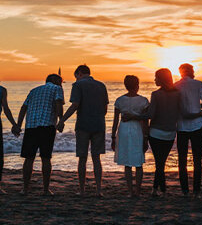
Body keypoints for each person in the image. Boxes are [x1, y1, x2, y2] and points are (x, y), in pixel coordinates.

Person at [56, 65, 109, 197]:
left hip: (83, 125)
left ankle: (82, 190)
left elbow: (75, 105)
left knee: (82, 158)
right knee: (96, 158)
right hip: (99, 124)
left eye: (76, 76)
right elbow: (105, 109)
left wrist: (62, 120)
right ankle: (98, 190)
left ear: (79, 73)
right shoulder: (101, 85)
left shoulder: (78, 85)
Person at [16, 74, 64, 196]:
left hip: (31, 126)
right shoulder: (56, 88)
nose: (61, 84)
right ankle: (45, 189)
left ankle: (25, 189)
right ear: (54, 80)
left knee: (29, 158)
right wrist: (61, 120)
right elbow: (58, 103)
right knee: (46, 158)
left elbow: (23, 108)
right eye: (60, 81)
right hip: (47, 126)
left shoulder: (34, 90)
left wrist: (18, 125)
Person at [111, 75, 149, 198]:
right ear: (137, 85)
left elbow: (115, 120)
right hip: (137, 129)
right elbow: (145, 121)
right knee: (138, 162)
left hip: (124, 129)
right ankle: (137, 191)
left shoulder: (119, 100)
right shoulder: (143, 101)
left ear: (125, 85)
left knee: (127, 163)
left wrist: (113, 137)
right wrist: (146, 137)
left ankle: (130, 191)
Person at [174, 63, 202, 198]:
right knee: (197, 159)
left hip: (182, 126)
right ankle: (196, 191)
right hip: (197, 125)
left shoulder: (176, 86)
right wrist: (197, 106)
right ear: (190, 71)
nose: (194, 71)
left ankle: (185, 191)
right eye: (193, 69)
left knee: (182, 159)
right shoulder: (198, 84)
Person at [0, 86, 20, 194]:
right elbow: (6, 109)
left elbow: (6, 109)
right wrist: (15, 125)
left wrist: (15, 124)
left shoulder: (2, 90)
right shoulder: (2, 90)